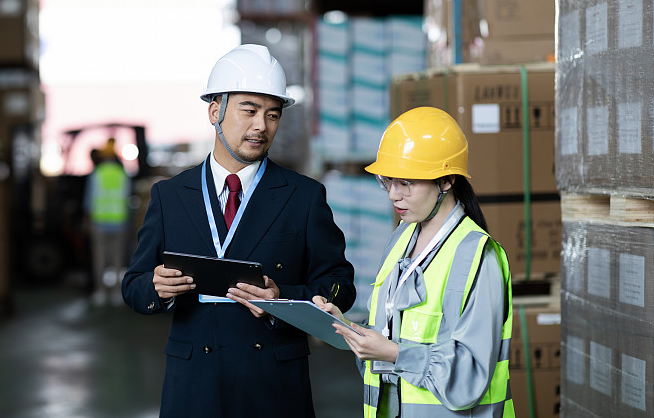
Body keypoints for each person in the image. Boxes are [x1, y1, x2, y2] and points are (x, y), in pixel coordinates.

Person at [122, 44, 356, 418]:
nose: (261, 126)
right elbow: (133, 286)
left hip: (272, 387)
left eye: (273, 114)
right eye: (249, 110)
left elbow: (340, 284)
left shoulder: (303, 196)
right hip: (193, 385)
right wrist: (156, 288)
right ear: (215, 111)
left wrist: (282, 298)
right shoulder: (169, 196)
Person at [314, 107, 514, 418]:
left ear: (446, 181)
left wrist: (393, 354)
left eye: (406, 183)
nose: (394, 195)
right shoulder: (400, 239)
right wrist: (347, 327)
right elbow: (391, 333)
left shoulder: (477, 256)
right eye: (388, 181)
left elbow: (469, 377)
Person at [83, 138, 130, 307]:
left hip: (100, 222)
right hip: (119, 222)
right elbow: (127, 198)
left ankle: (100, 292)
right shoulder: (122, 174)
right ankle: (117, 293)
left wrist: (87, 220)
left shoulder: (96, 174)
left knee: (100, 259)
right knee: (117, 260)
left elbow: (89, 201)